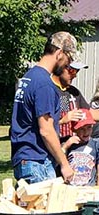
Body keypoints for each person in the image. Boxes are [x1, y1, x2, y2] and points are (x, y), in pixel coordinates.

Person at [11, 32, 79, 183]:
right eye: (68, 59)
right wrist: (64, 164)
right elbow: (46, 130)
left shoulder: (29, 77)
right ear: (60, 53)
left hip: (25, 158)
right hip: (37, 162)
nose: (67, 65)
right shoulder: (44, 84)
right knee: (46, 206)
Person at [62, 114, 99, 186]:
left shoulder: (95, 144)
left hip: (88, 188)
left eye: (89, 127)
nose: (86, 132)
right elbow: (58, 161)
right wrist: (66, 146)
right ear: (75, 129)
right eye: (82, 129)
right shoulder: (68, 142)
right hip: (70, 187)